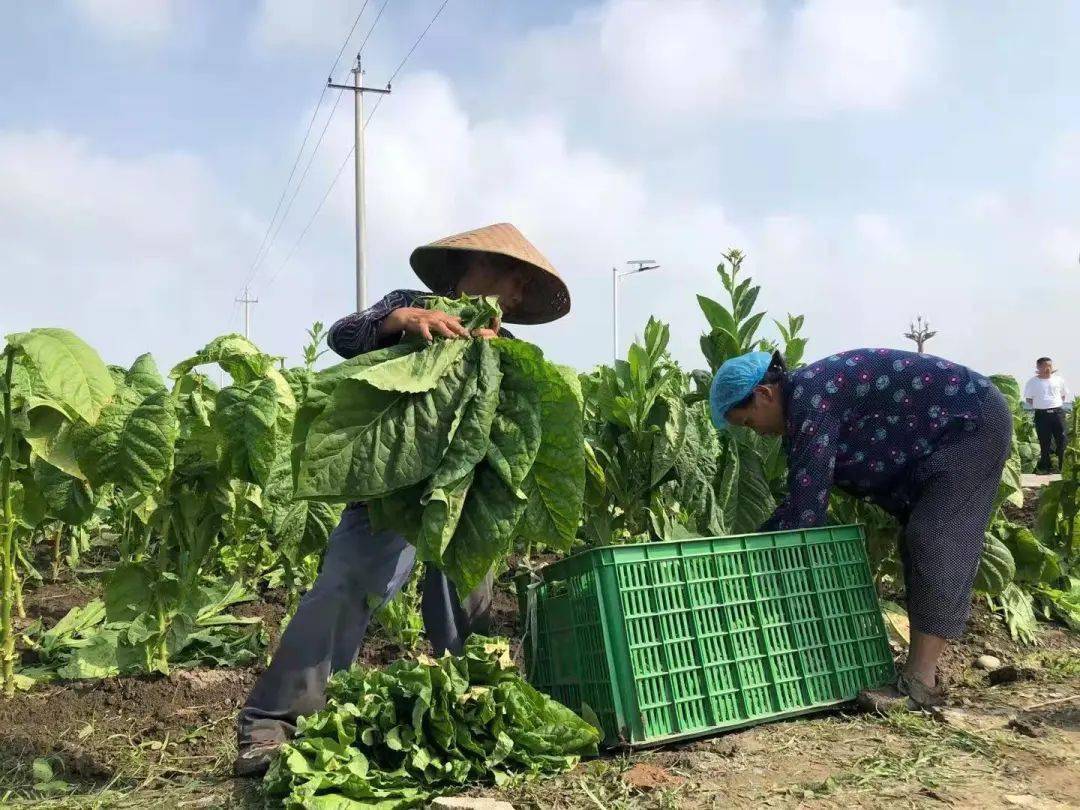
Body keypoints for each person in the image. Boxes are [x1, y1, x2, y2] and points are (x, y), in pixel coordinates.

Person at [234, 223, 570, 776]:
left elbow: (519, 430)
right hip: (388, 482)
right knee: (344, 587)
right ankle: (275, 724)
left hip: (462, 491)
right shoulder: (410, 306)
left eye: (520, 286)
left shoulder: (506, 346)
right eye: (507, 274)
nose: (512, 291)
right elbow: (343, 336)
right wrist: (402, 322)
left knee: (468, 597)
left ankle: (471, 711)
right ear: (468, 269)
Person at [709, 348, 1012, 712]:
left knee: (936, 536)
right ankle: (920, 675)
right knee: (922, 538)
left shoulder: (810, 397)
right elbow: (802, 498)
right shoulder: (807, 400)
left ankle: (918, 685)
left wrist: (743, 557)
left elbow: (807, 512)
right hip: (947, 430)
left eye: (747, 422)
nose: (754, 432)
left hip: (970, 421)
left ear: (764, 394)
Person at [1024, 356, 1070, 474]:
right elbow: (1029, 399)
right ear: (1038, 367)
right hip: (1042, 415)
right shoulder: (1032, 382)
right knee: (1044, 441)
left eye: (1050, 366)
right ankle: (1046, 467)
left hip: (1057, 413)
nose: (1048, 368)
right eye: (1045, 366)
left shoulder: (1059, 380)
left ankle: (1062, 467)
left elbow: (1063, 396)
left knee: (1062, 439)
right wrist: (1041, 405)